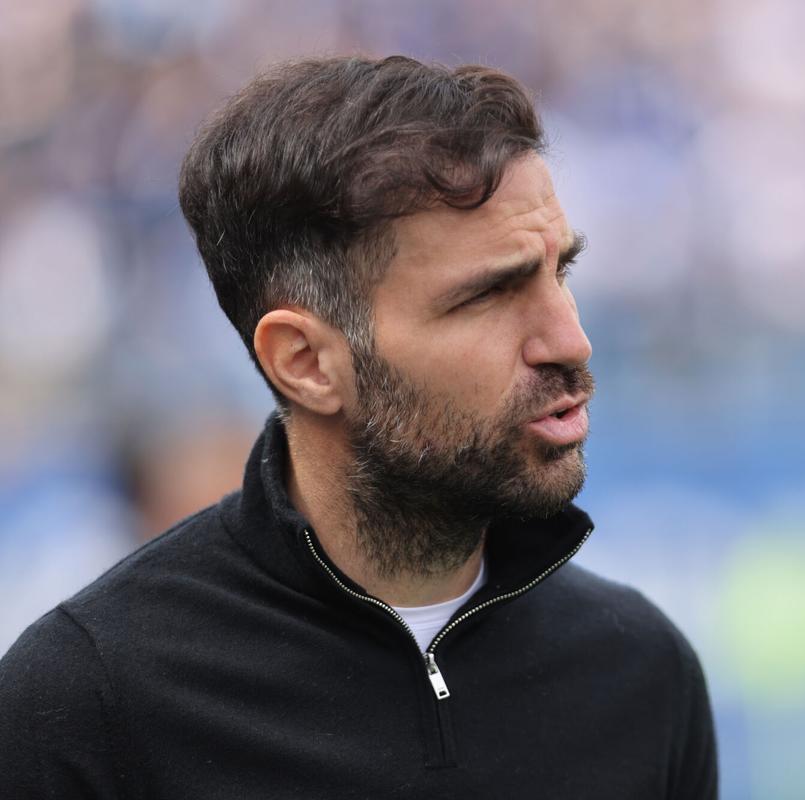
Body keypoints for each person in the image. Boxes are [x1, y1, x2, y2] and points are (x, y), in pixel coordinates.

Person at [0, 55, 717, 799]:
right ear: (306, 362)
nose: (569, 341)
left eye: (558, 273)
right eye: (490, 295)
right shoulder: (87, 705)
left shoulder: (640, 673)